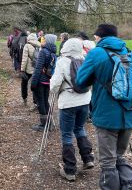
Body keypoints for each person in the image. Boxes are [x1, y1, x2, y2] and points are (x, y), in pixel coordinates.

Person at [76, 24, 132, 190]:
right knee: (120, 156)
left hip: (106, 116)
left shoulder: (95, 53)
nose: (94, 39)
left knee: (108, 162)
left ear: (100, 37)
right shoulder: (131, 53)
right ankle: (129, 186)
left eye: (95, 37)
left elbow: (80, 82)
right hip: (129, 115)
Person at [50, 38, 94, 181]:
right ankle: (88, 159)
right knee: (80, 128)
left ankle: (70, 170)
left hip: (68, 102)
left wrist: (55, 90)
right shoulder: (85, 59)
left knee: (67, 135)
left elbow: (55, 84)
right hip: (85, 100)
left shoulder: (62, 61)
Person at [30, 34, 57, 131]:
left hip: (40, 81)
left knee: (40, 101)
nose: (42, 40)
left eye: (44, 39)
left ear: (48, 41)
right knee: (45, 101)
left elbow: (38, 68)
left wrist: (33, 83)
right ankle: (49, 123)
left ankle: (44, 125)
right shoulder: (53, 52)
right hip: (48, 80)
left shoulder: (43, 52)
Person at [20, 33, 41, 109]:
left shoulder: (27, 45)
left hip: (28, 69)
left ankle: (24, 98)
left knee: (24, 83)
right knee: (35, 86)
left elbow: (24, 59)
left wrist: (22, 70)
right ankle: (36, 103)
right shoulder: (39, 45)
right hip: (37, 69)